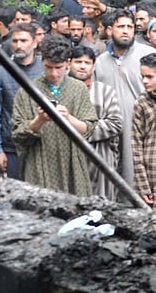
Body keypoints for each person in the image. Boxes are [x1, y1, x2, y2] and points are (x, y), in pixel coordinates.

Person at [10, 36, 98, 195]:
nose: (54, 73)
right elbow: (17, 135)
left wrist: (69, 118)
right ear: (41, 61)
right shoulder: (27, 91)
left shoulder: (78, 88)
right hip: (39, 161)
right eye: (48, 67)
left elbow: (89, 127)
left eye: (59, 67)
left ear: (68, 63)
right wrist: (39, 121)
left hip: (72, 163)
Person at [92, 11, 156, 186]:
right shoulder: (99, 62)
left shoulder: (148, 55)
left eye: (130, 27)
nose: (126, 31)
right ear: (109, 30)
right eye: (121, 27)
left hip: (144, 128)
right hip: (109, 130)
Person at [0, 22, 44, 179]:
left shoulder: (45, 70)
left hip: (41, 146)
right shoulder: (2, 71)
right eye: (15, 41)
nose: (19, 45)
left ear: (35, 42)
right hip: (11, 148)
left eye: (23, 41)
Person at [67, 44, 124, 200]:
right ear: (69, 63)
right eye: (78, 62)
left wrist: (85, 129)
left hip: (100, 155)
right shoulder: (60, 91)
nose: (82, 67)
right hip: (68, 156)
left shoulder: (105, 91)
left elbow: (116, 123)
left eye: (87, 63)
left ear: (93, 67)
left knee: (101, 208)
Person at [132, 52, 156, 211]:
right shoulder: (142, 102)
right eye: (142, 76)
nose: (144, 81)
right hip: (154, 174)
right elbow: (136, 144)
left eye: (150, 76)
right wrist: (143, 185)